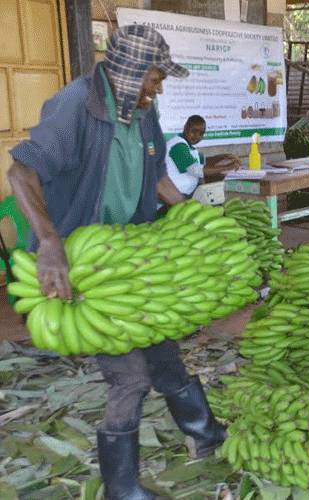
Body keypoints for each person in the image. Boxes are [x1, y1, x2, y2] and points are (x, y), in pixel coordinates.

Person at [6, 25, 226, 500]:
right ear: (128, 71)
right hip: (84, 268)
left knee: (164, 347)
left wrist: (190, 216)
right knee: (130, 375)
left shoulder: (143, 112)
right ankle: (121, 487)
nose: (159, 89)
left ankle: (204, 432)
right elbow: (21, 169)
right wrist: (48, 241)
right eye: (154, 78)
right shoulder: (74, 105)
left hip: (131, 257)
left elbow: (154, 178)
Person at [164, 115, 241, 199]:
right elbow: (196, 170)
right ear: (185, 127)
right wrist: (228, 167)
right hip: (172, 198)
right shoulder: (178, 146)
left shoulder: (187, 145)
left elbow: (204, 162)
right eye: (194, 131)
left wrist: (224, 157)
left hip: (184, 195)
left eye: (201, 134)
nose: (197, 136)